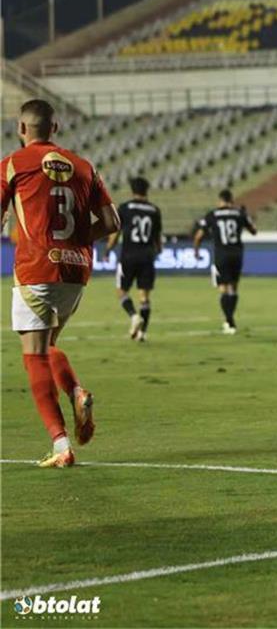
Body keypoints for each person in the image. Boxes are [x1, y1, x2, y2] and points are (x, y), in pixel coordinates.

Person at [2, 99, 119, 467]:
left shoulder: (13, 164)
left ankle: (61, 445)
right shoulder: (84, 167)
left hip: (36, 268)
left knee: (34, 355)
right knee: (47, 344)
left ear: (21, 128)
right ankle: (76, 392)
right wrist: (76, 241)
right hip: (75, 271)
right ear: (54, 128)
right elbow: (112, 223)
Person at [105, 175, 161, 342]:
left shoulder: (125, 208)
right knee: (144, 296)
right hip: (147, 256)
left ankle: (134, 316)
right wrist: (158, 250)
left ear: (132, 190)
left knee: (122, 291)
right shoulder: (154, 210)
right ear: (146, 190)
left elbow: (116, 233)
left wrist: (108, 249)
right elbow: (157, 237)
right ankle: (142, 334)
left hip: (128, 255)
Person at [194, 189, 257, 335]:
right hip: (237, 254)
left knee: (223, 289)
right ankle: (230, 321)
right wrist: (246, 216)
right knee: (233, 289)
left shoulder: (212, 214)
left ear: (220, 200)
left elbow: (198, 236)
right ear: (232, 200)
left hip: (221, 255)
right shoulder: (239, 214)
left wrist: (196, 251)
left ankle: (229, 320)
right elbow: (254, 231)